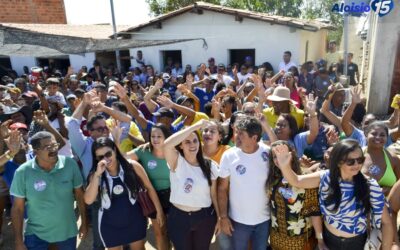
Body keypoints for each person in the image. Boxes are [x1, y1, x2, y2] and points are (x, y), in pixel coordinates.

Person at [273, 139, 394, 250]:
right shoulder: (325, 177)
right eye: (350, 161)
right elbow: (296, 181)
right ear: (338, 162)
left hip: (356, 244)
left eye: (360, 160)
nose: (357, 164)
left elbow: (386, 223)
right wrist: (285, 166)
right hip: (329, 240)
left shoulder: (370, 185)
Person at [11, 131, 88, 250]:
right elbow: (17, 209)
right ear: (36, 151)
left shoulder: (70, 164)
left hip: (67, 232)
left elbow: (79, 195)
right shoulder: (22, 172)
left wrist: (84, 222)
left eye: (55, 145)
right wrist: (18, 242)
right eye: (48, 147)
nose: (54, 149)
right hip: (36, 235)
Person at [84, 137, 164, 249]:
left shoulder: (132, 166)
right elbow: (88, 200)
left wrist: (159, 210)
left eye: (108, 154)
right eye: (100, 157)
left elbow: (149, 187)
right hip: (109, 224)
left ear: (115, 150)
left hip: (134, 220)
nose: (106, 159)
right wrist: (97, 175)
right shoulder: (96, 175)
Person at [163, 119, 220, 250]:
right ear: (181, 145)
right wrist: (194, 127)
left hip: (204, 218)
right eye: (187, 142)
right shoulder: (176, 161)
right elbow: (166, 145)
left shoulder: (209, 165)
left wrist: (219, 217)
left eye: (195, 141)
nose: (192, 145)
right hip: (178, 218)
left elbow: (213, 195)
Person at [218, 117, 271, 250]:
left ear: (254, 138)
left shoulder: (268, 153)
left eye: (241, 134)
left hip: (264, 220)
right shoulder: (228, 155)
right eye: (236, 132)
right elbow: (222, 188)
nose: (236, 137)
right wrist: (223, 217)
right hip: (238, 221)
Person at [268, 140, 327, 250]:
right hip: (276, 241)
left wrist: (320, 240)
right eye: (275, 157)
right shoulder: (273, 178)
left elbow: (314, 212)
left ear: (292, 155)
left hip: (301, 243)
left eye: (283, 155)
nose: (279, 160)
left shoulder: (305, 178)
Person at [127, 124, 172, 250]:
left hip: (173, 196)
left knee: (174, 232)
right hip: (152, 197)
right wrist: (116, 137)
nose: (156, 139)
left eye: (159, 136)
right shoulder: (143, 151)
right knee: (160, 233)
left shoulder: (174, 152)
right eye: (153, 136)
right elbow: (122, 159)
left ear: (166, 138)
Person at [362, 121, 400, 195]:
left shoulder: (393, 159)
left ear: (387, 138)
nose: (378, 137)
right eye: (374, 134)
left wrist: (390, 190)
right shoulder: (356, 155)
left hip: (388, 205)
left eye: (382, 135)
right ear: (366, 135)